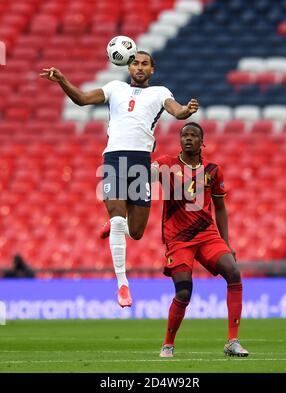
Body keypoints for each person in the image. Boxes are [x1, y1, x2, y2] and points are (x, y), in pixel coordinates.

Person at [40, 51, 199, 307]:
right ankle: (122, 284)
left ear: (152, 70)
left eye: (144, 64)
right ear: (128, 66)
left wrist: (185, 111)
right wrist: (62, 80)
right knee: (116, 220)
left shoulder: (159, 93)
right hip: (114, 160)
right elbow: (81, 99)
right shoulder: (115, 88)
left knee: (135, 233)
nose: (139, 67)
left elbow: (176, 111)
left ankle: (116, 225)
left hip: (140, 164)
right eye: (135, 62)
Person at [151, 122, 249, 358]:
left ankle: (232, 341)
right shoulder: (166, 164)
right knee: (184, 291)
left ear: (201, 142)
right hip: (178, 238)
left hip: (207, 235)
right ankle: (168, 344)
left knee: (234, 273)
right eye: (185, 135)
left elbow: (221, 209)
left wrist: (226, 242)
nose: (189, 139)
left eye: (194, 135)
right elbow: (145, 173)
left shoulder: (213, 171)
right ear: (180, 140)